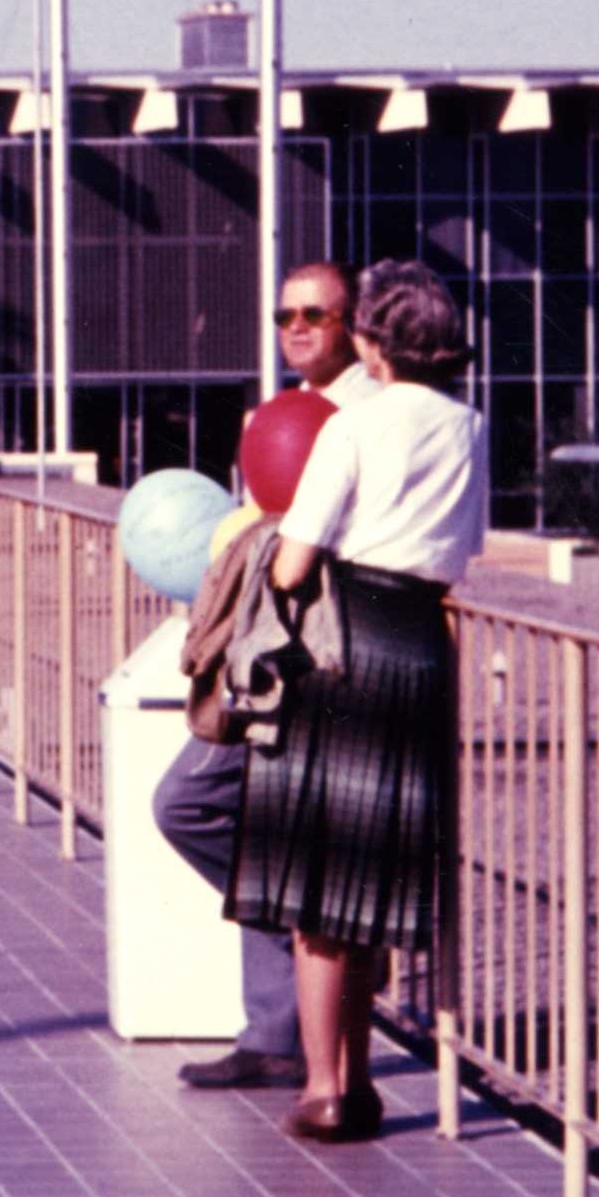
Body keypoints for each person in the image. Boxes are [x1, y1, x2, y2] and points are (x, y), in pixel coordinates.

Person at [231, 259, 487, 1145]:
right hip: (419, 643)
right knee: (375, 874)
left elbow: (295, 560)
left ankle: (325, 1085)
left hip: (343, 643)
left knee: (314, 882)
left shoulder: (352, 423)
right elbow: (466, 543)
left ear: (372, 340)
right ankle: (363, 1078)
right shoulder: (467, 423)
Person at [155, 261, 372, 1097]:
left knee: (189, 801)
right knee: (253, 819)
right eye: (285, 313)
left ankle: (308, 958)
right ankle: (277, 1026)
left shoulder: (358, 415)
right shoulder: (283, 411)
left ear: (351, 321)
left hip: (303, 644)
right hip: (258, 638)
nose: (295, 327)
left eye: (315, 313)